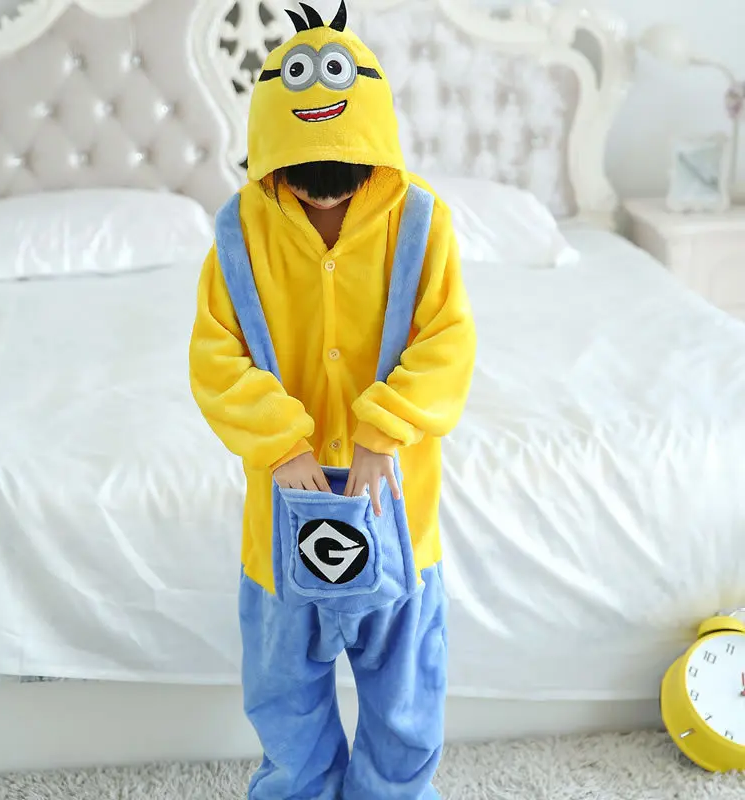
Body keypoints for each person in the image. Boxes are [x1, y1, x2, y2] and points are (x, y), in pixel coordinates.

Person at [189, 2, 476, 798]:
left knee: (405, 707)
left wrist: (384, 430)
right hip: (278, 528)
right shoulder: (240, 232)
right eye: (301, 184)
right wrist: (282, 443)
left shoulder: (421, 222)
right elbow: (215, 358)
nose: (322, 204)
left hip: (400, 516)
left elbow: (447, 341)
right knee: (285, 705)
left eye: (340, 184)